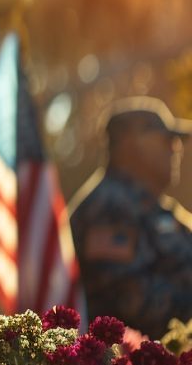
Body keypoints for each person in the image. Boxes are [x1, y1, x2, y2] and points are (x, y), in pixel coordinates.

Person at [69, 97, 192, 338]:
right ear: (128, 144)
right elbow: (132, 305)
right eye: (165, 139)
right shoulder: (108, 209)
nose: (175, 148)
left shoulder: (157, 207)